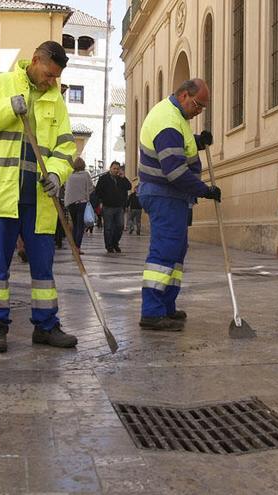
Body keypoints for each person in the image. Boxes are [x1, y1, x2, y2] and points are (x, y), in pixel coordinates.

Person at [0, 41, 78, 353]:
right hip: (2, 195)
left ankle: (46, 325)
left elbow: (66, 147)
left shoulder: (56, 100)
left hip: (40, 200)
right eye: (48, 73)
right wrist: (6, 108)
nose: (51, 80)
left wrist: (56, 174)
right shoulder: (0, 85)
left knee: (43, 269)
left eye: (55, 77)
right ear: (36, 59)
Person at [137, 78, 219, 331]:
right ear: (183, 95)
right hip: (165, 194)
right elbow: (174, 170)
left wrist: (198, 141)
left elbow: (179, 146)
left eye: (203, 108)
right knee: (164, 252)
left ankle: (166, 305)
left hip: (170, 196)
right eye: (197, 104)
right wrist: (204, 190)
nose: (199, 111)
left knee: (175, 250)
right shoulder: (169, 121)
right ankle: (151, 311)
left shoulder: (175, 117)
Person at [95, 161, 131, 253]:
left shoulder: (120, 179)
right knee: (108, 228)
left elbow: (129, 186)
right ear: (110, 168)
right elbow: (98, 191)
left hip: (119, 207)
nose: (116, 170)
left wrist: (124, 178)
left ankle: (115, 243)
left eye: (117, 169)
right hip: (107, 206)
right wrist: (101, 201)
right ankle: (109, 246)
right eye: (114, 168)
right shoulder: (103, 178)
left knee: (120, 226)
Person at [64, 157, 93, 252]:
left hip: (71, 203)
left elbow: (66, 188)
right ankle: (77, 247)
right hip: (82, 203)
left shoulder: (69, 175)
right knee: (80, 226)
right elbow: (90, 188)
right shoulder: (86, 175)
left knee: (75, 225)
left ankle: (73, 247)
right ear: (83, 165)